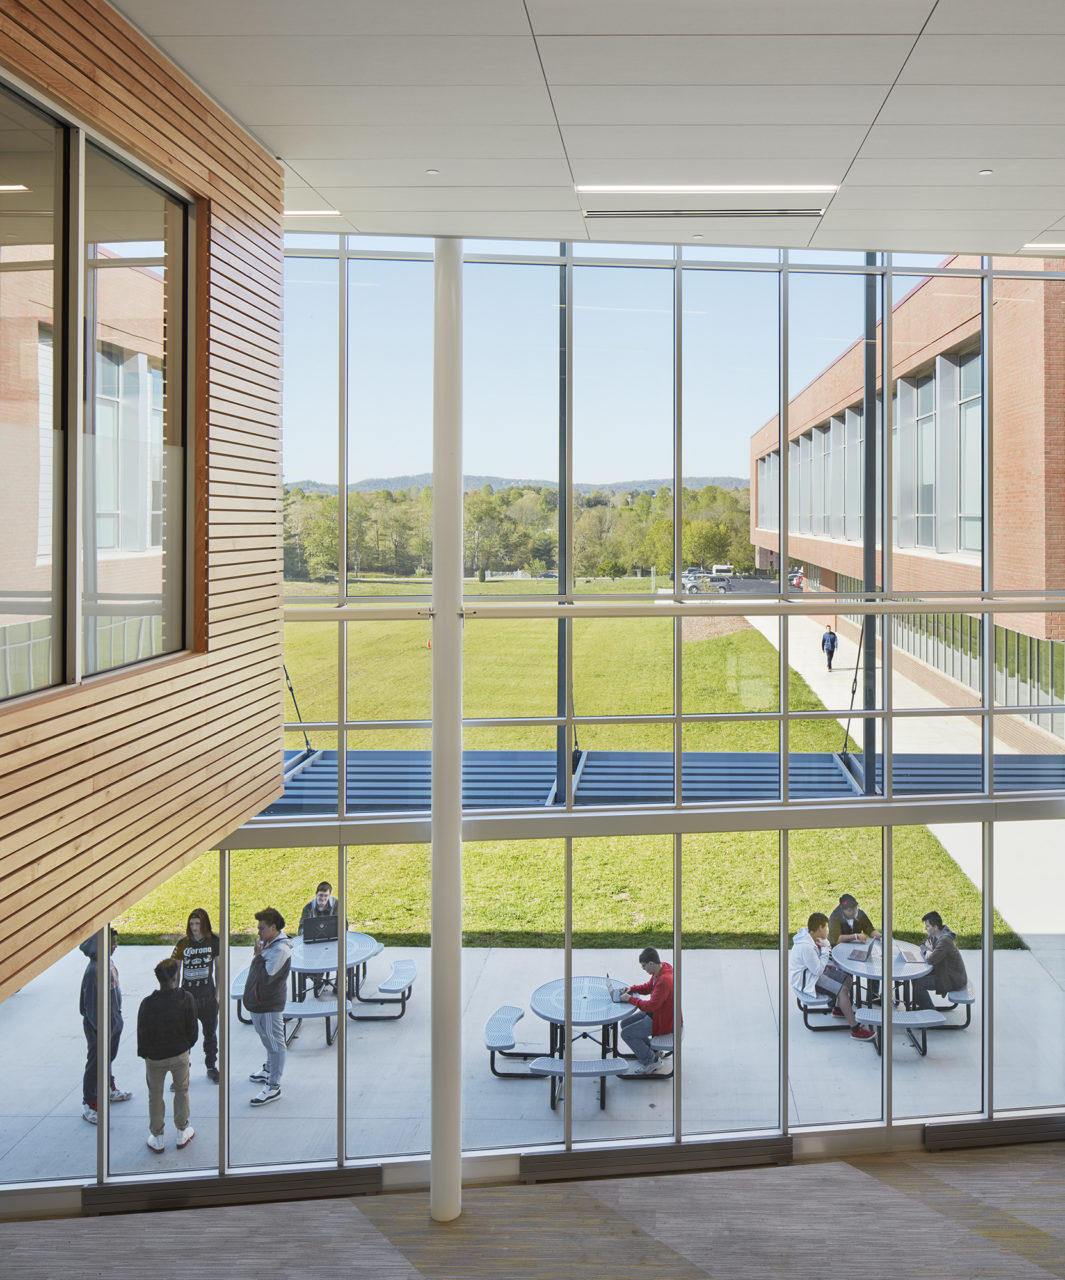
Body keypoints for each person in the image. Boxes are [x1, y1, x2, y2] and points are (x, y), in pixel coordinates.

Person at [137, 957, 198, 1152]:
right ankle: (182, 1131)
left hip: (155, 1058)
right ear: (175, 977)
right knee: (182, 1091)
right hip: (180, 1054)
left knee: (155, 1096)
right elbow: (193, 1030)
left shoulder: (147, 1003)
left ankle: (157, 1136)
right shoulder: (185, 998)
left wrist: (146, 1054)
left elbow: (142, 1033)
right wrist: (187, 1046)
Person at [789, 913, 876, 1041]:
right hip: (808, 980)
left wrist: (829, 962)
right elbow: (817, 970)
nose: (827, 931)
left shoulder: (811, 937)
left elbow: (816, 963)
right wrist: (825, 950)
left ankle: (838, 1008)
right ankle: (856, 1030)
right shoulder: (805, 947)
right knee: (843, 991)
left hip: (812, 972)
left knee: (847, 978)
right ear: (819, 928)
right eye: (826, 928)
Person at [79, 928, 132, 1124]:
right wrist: (102, 1030)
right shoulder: (94, 970)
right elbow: (91, 1007)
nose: (115, 946)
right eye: (112, 943)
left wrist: (116, 1019)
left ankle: (108, 1088)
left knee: (107, 1058)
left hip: (113, 1019)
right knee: (96, 1062)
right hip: (99, 1026)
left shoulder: (108, 963)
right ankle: (90, 1103)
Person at [243, 907, 292, 1106]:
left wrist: (258, 955)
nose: (258, 932)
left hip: (269, 1004)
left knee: (275, 1043)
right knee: (266, 1037)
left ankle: (273, 1086)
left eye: (261, 928)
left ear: (273, 928)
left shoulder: (280, 950)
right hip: (258, 1003)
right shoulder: (269, 944)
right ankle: (269, 1068)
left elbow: (267, 977)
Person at [171, 908, 220, 1082]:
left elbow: (219, 968)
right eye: (192, 924)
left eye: (198, 924)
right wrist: (174, 995)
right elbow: (174, 970)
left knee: (210, 1035)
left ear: (205, 924)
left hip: (207, 998)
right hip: (187, 998)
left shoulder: (214, 942)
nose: (194, 928)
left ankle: (211, 1066)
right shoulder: (183, 944)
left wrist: (218, 994)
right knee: (184, 1038)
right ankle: (183, 1071)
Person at [619, 947, 675, 1076]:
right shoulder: (661, 970)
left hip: (662, 1019)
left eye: (644, 966)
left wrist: (630, 999)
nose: (644, 969)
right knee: (624, 1024)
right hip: (657, 1013)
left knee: (626, 1034)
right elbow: (649, 987)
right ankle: (651, 1050)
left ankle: (651, 1061)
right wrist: (631, 989)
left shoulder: (664, 980)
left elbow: (650, 1006)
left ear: (651, 963)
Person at [829, 893, 883, 1003]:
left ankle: (873, 995)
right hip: (839, 951)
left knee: (873, 964)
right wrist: (855, 936)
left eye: (855, 909)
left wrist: (879, 936)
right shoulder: (834, 917)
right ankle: (843, 998)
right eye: (850, 911)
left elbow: (870, 929)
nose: (854, 912)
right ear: (843, 910)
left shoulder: (859, 914)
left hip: (855, 949)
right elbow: (835, 939)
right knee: (846, 971)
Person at [910, 911, 968, 1010]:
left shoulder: (945, 940)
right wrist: (928, 952)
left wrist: (929, 954)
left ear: (935, 927)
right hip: (944, 972)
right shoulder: (936, 935)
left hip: (952, 979)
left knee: (919, 983)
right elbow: (923, 945)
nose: (925, 928)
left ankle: (930, 1014)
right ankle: (921, 1003)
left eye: (927, 926)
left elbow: (931, 960)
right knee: (915, 976)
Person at [298, 881, 340, 996]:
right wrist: (307, 934)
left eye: (325, 896)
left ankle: (339, 985)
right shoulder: (308, 908)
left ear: (329, 896)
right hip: (315, 944)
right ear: (316, 894)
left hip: (333, 941)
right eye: (320, 895)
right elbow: (301, 928)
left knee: (343, 957)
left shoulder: (337, 905)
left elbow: (343, 924)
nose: (323, 898)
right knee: (310, 962)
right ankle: (318, 981)